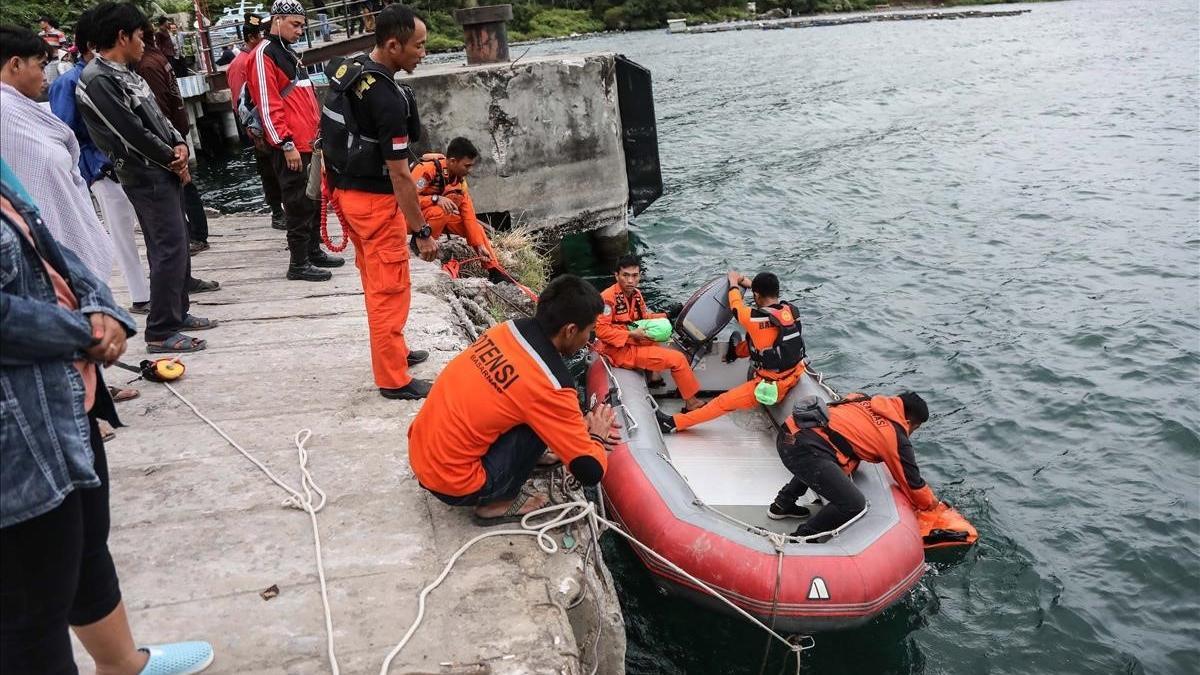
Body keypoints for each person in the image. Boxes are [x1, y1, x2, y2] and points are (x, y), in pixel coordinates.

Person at [0, 160, 215, 675]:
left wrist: (102, 307)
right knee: (31, 613)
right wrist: (79, 331)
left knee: (85, 542)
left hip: (68, 398)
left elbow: (49, 243)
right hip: (18, 430)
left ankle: (123, 664)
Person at [408, 275, 618, 523]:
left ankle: (530, 457)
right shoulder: (552, 385)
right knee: (542, 415)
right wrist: (596, 435)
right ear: (570, 330)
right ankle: (495, 503)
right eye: (590, 330)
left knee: (524, 407)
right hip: (455, 484)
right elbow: (589, 471)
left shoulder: (506, 329)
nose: (590, 339)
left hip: (421, 453)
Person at [77, 1, 216, 353]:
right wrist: (172, 157)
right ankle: (160, 330)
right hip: (145, 175)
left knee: (176, 242)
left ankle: (177, 311)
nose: (144, 42)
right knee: (167, 246)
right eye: (140, 35)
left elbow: (159, 116)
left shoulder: (127, 72)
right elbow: (129, 132)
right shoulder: (98, 79)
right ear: (122, 36)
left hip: (163, 170)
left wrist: (180, 143)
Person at [320, 3, 435, 399]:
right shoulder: (387, 98)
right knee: (390, 288)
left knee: (374, 279)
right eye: (418, 46)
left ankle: (396, 349)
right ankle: (393, 378)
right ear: (392, 45)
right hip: (374, 204)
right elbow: (402, 175)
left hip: (347, 195)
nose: (423, 53)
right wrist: (422, 231)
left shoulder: (355, 70)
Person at [49, 11, 151, 317]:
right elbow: (65, 132)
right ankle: (140, 293)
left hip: (128, 164)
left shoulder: (112, 74)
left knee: (147, 224)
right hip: (101, 167)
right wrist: (90, 169)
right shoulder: (70, 82)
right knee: (121, 231)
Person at [247, 0, 343, 281]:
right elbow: (268, 104)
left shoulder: (287, 53)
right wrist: (285, 143)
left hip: (308, 143)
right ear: (277, 20)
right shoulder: (265, 53)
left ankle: (312, 250)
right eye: (295, 24)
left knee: (313, 198)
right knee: (298, 202)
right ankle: (298, 263)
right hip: (291, 145)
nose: (301, 30)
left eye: (302, 25)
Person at [658, 270, 807, 433]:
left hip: (770, 385)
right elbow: (768, 320)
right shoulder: (791, 311)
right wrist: (751, 285)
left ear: (757, 295)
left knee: (721, 403)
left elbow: (734, 304)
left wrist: (734, 281)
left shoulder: (753, 318)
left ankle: (673, 423)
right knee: (757, 340)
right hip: (793, 374)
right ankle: (734, 352)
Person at [774, 392, 939, 538]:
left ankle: (782, 505)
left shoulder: (862, 398)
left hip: (787, 435)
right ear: (909, 421)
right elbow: (912, 483)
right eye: (914, 429)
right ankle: (802, 537)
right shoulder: (895, 437)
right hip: (802, 450)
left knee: (823, 456)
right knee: (854, 504)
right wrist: (933, 506)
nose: (910, 433)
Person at [135, 27, 220, 262]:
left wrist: (166, 138)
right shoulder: (159, 59)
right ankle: (197, 233)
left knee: (183, 185)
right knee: (186, 184)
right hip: (176, 130)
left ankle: (196, 235)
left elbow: (157, 108)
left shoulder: (146, 65)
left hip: (168, 135)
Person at [595, 255, 705, 411]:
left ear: (640, 276)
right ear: (616, 275)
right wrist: (631, 335)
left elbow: (644, 318)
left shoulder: (636, 295)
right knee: (679, 359)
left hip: (636, 342)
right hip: (620, 350)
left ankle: (654, 376)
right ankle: (691, 403)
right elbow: (601, 331)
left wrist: (666, 315)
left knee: (660, 334)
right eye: (625, 275)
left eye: (634, 275)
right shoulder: (607, 299)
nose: (630, 281)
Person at [411, 137, 504, 276]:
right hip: (412, 219)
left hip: (438, 219)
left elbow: (468, 215)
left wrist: (479, 245)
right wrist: (435, 199)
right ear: (453, 161)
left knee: (476, 228)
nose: (469, 170)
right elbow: (406, 200)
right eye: (467, 166)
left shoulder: (458, 181)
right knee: (441, 209)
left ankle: (494, 269)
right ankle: (422, 245)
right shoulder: (427, 169)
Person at [226, 13, 285, 230]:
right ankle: (277, 213)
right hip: (260, 130)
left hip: (269, 126)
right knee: (269, 172)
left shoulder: (255, 59)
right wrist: (256, 134)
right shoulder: (243, 63)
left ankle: (281, 211)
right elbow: (242, 105)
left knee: (276, 170)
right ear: (252, 37)